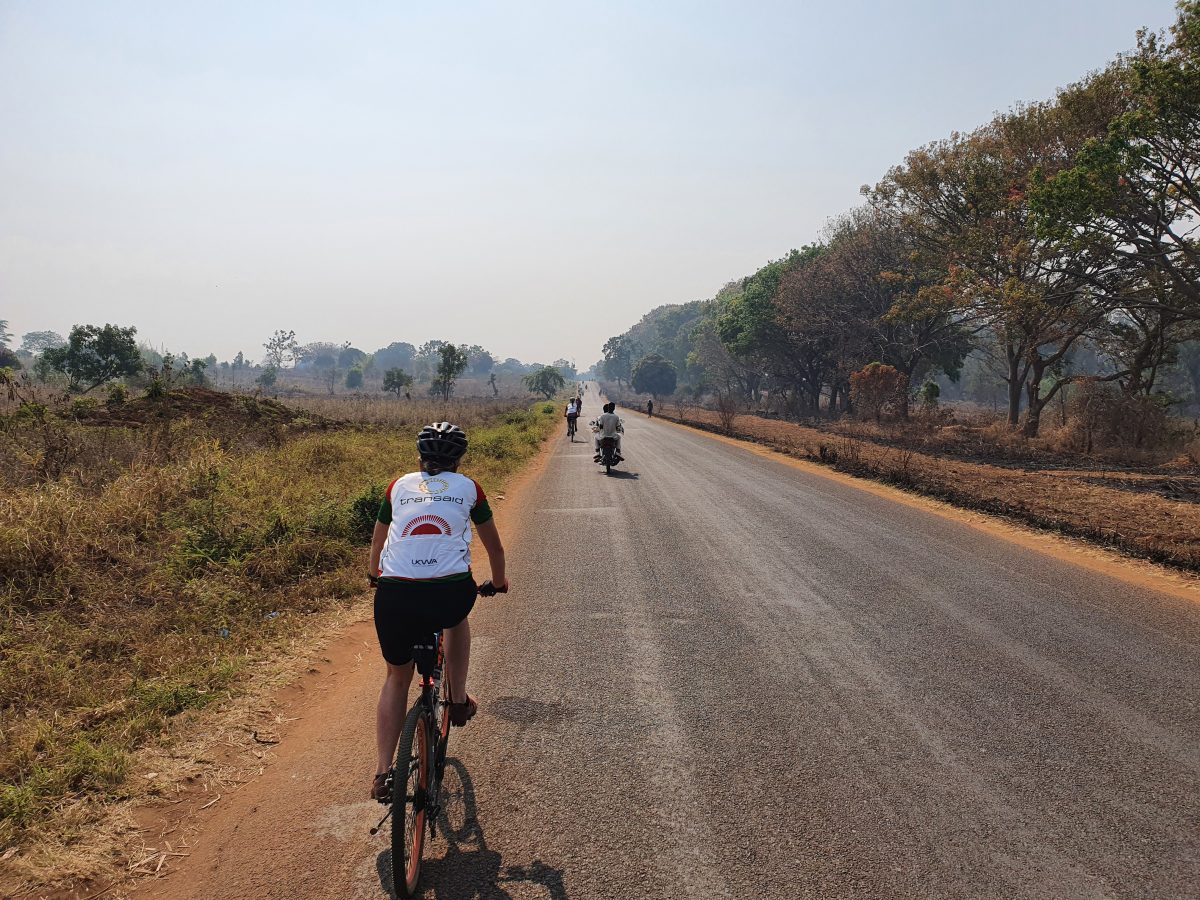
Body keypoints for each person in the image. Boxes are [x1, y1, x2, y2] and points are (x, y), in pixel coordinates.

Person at [367, 421, 509, 801]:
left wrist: (372, 576)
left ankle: (383, 772)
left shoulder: (397, 486)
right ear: (460, 460)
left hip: (394, 594)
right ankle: (458, 702)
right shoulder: (470, 489)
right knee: (455, 619)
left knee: (396, 679)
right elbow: (494, 549)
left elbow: (379, 541)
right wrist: (498, 582)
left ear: (419, 456)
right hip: (448, 592)